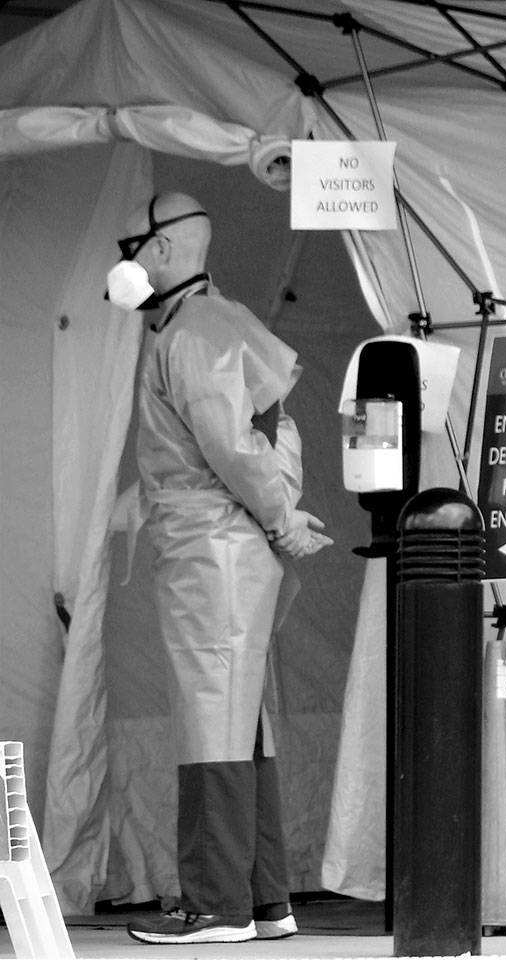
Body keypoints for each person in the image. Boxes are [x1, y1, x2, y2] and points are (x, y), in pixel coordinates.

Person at [108, 192, 331, 945]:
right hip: (225, 549)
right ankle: (266, 900)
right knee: (243, 724)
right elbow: (269, 426)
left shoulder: (192, 333)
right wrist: (281, 509)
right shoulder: (214, 322)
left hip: (213, 552)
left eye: (130, 244)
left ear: (163, 249)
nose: (124, 260)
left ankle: (216, 905)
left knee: (212, 724)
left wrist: (279, 514)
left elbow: (232, 446)